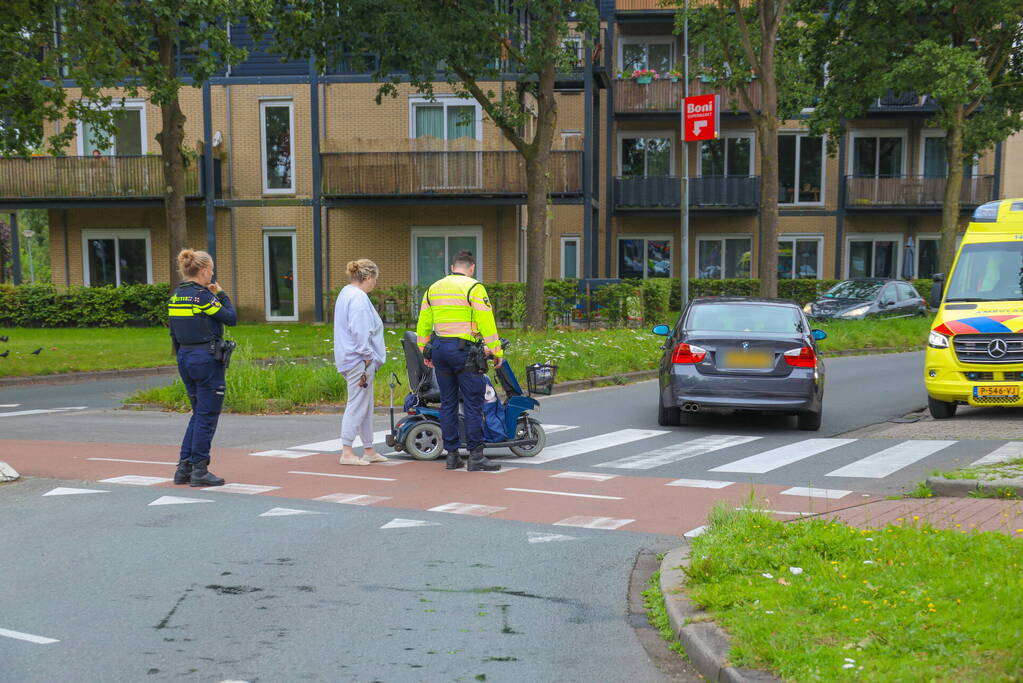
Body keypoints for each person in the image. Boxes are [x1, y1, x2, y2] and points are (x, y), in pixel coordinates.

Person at [416, 250, 503, 472]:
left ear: (453, 266)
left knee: (448, 403)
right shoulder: (474, 288)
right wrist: (496, 352)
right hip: (464, 353)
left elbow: (423, 324)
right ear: (471, 267)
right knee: (473, 403)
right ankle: (476, 457)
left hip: (440, 350)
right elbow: (487, 322)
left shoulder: (433, 289)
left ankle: (452, 455)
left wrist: (425, 352)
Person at [168, 249, 237, 487]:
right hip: (206, 359)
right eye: (212, 270)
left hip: (185, 356)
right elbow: (230, 318)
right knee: (207, 416)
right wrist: (222, 294)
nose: (213, 274)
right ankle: (200, 469)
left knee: (198, 413)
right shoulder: (203, 297)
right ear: (205, 270)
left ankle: (183, 468)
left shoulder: (176, 296)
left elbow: (173, 333)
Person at [334, 259, 388, 466]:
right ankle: (347, 451)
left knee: (364, 405)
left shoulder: (346, 293)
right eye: (375, 279)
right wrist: (368, 357)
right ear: (368, 277)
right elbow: (360, 332)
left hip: (350, 358)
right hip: (359, 361)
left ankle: (368, 448)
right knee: (357, 405)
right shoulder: (359, 299)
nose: (375, 283)